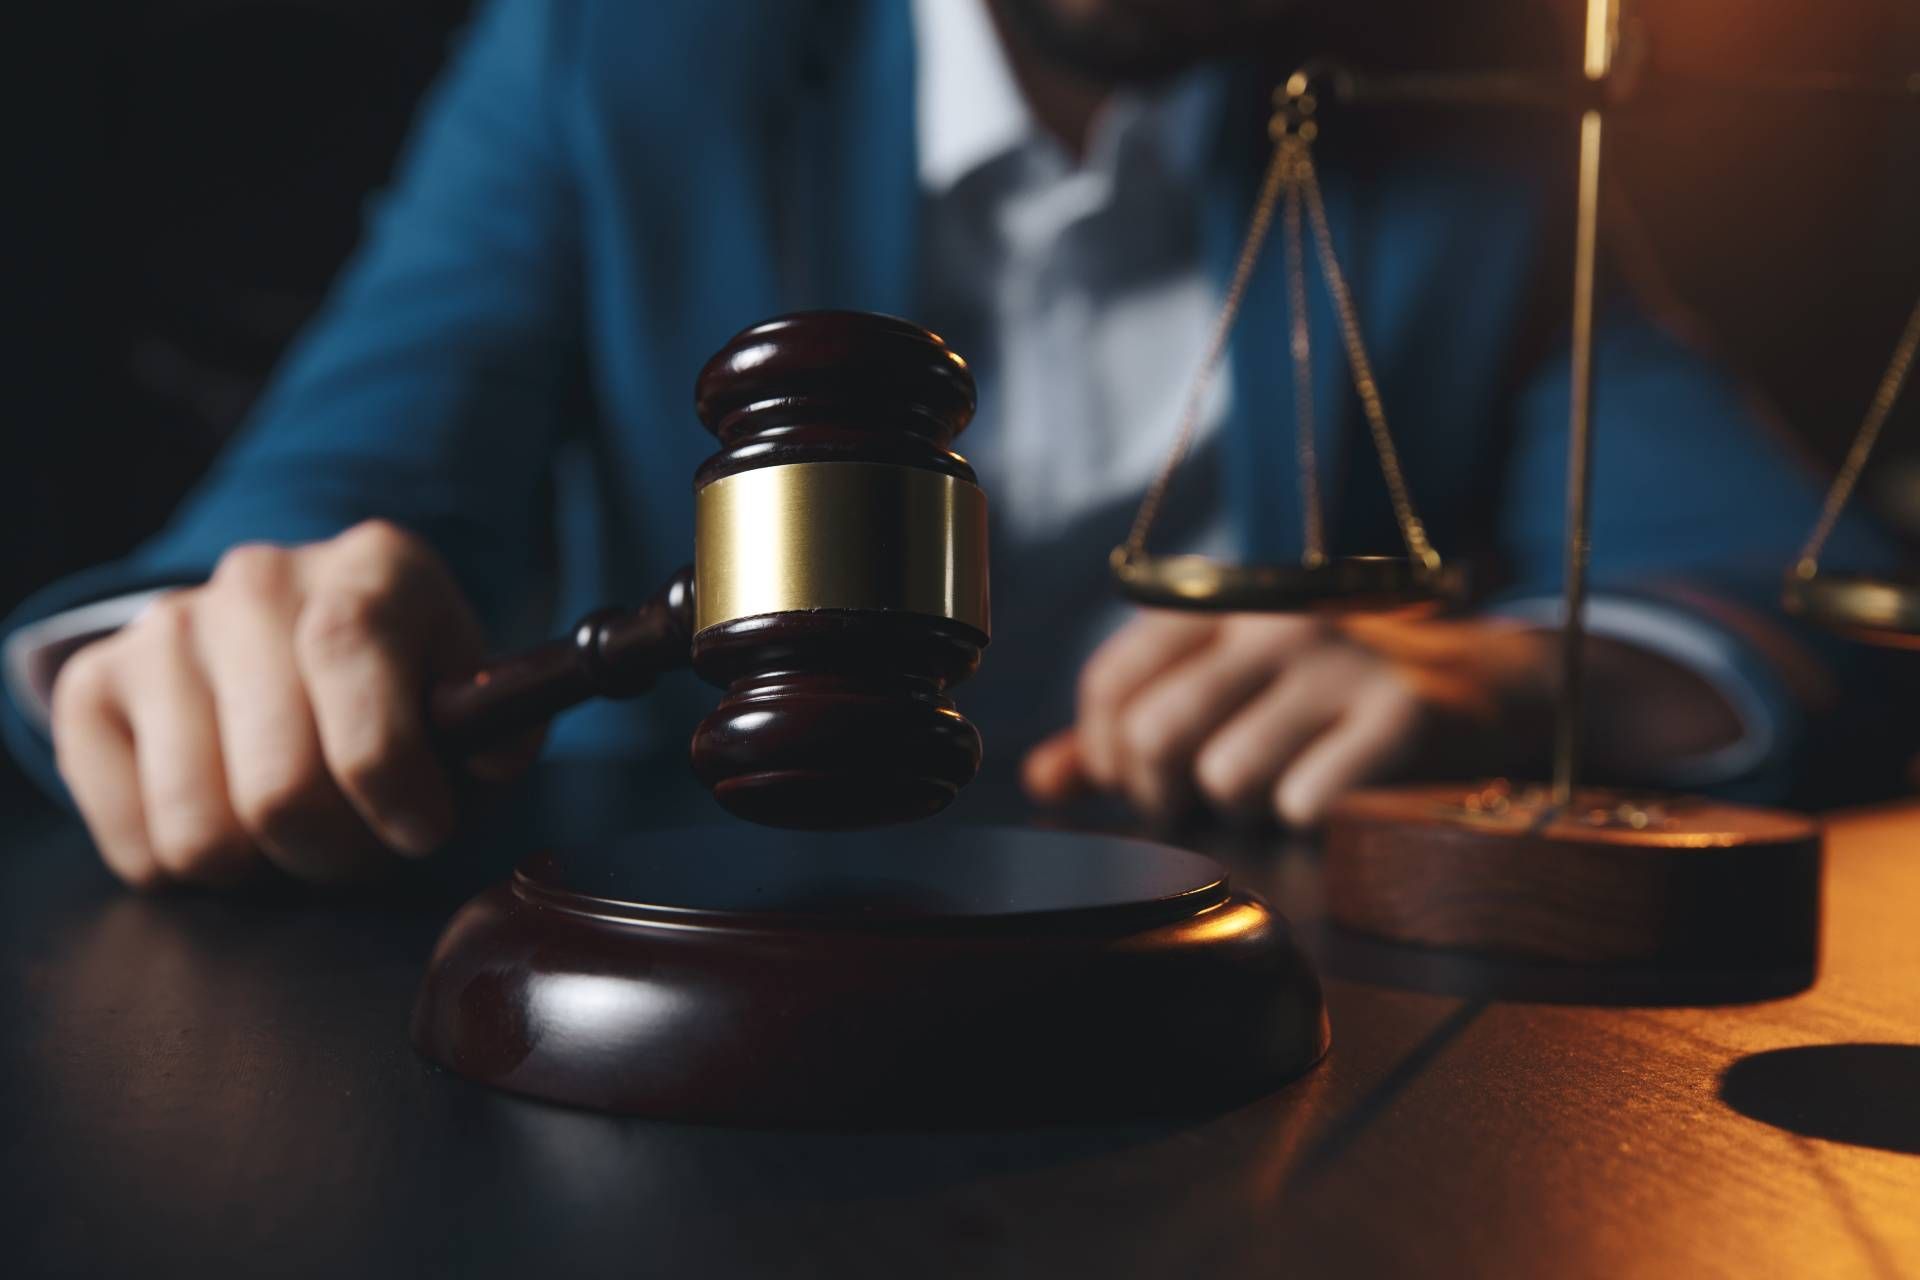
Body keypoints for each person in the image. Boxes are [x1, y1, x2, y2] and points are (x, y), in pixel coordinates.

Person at [2, 0, 1905, 890]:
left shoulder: (1469, 137)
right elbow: (298, 529)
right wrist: (204, 662)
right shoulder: (618, 55)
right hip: (694, 966)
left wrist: (1493, 678)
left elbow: (1802, 590)